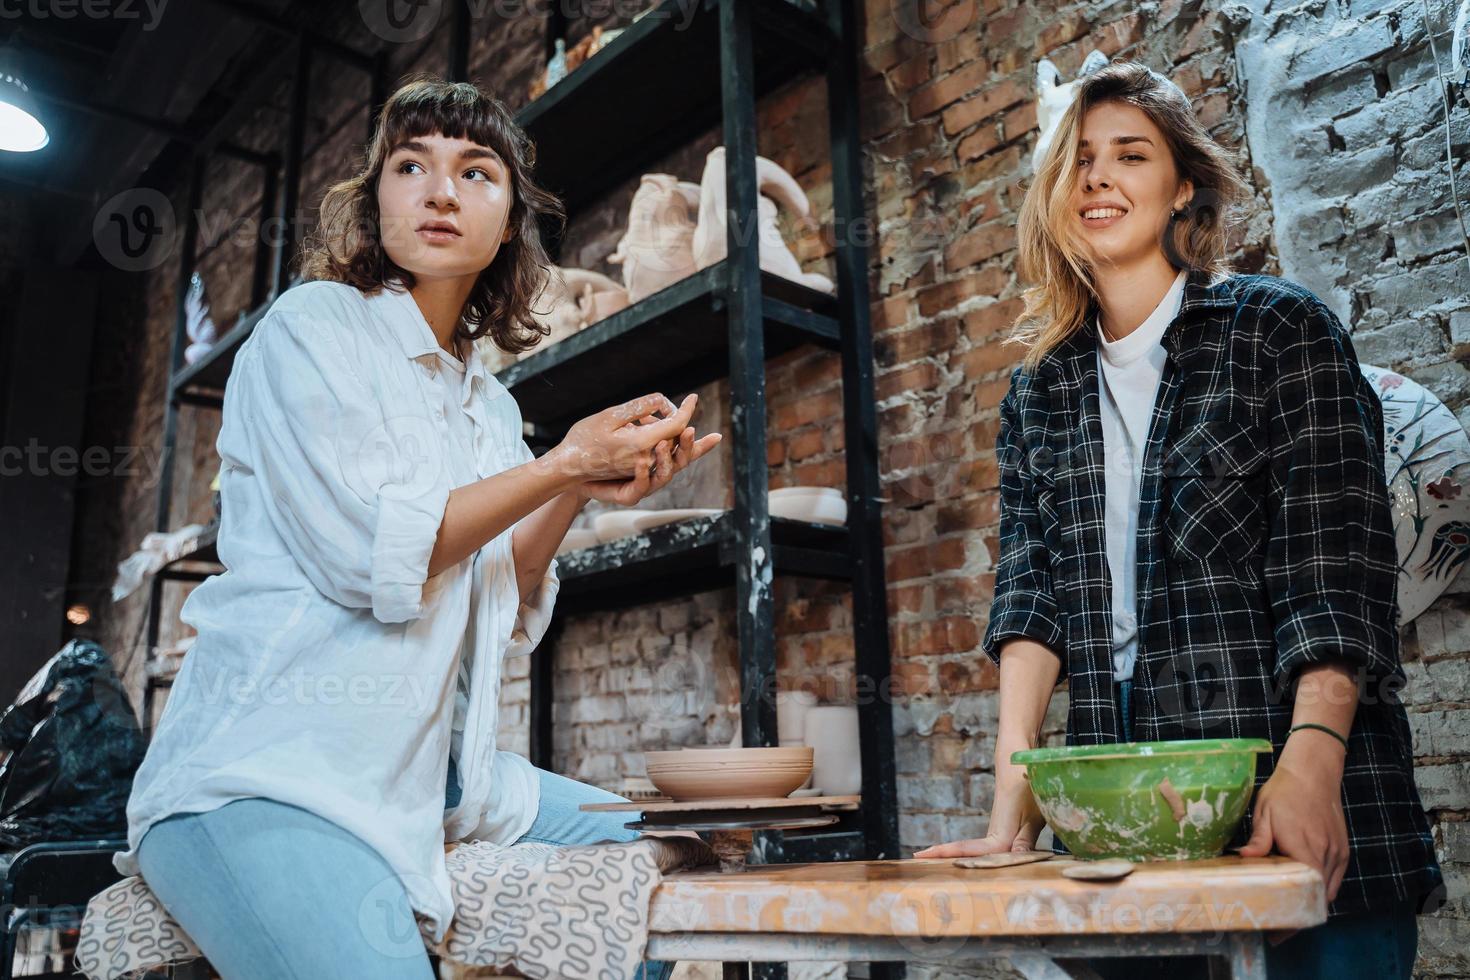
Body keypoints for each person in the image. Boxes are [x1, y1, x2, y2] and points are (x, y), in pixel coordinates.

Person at [114, 75, 720, 979]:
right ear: (377, 200)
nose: (441, 190)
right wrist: (560, 463)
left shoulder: (489, 404)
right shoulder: (311, 329)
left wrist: (577, 489)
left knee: (676, 865)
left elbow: (496, 600)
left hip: (433, 782)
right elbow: (372, 558)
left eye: (476, 172)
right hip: (265, 775)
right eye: (412, 166)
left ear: (511, 220)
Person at [913, 61, 1444, 979]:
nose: (1098, 178)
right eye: (1077, 160)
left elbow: (1335, 569)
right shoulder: (1040, 390)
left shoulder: (1278, 329)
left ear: (1182, 186)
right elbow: (1031, 601)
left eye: (1130, 154)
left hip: (1290, 752)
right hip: (1120, 795)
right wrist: (1013, 809)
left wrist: (1310, 764)